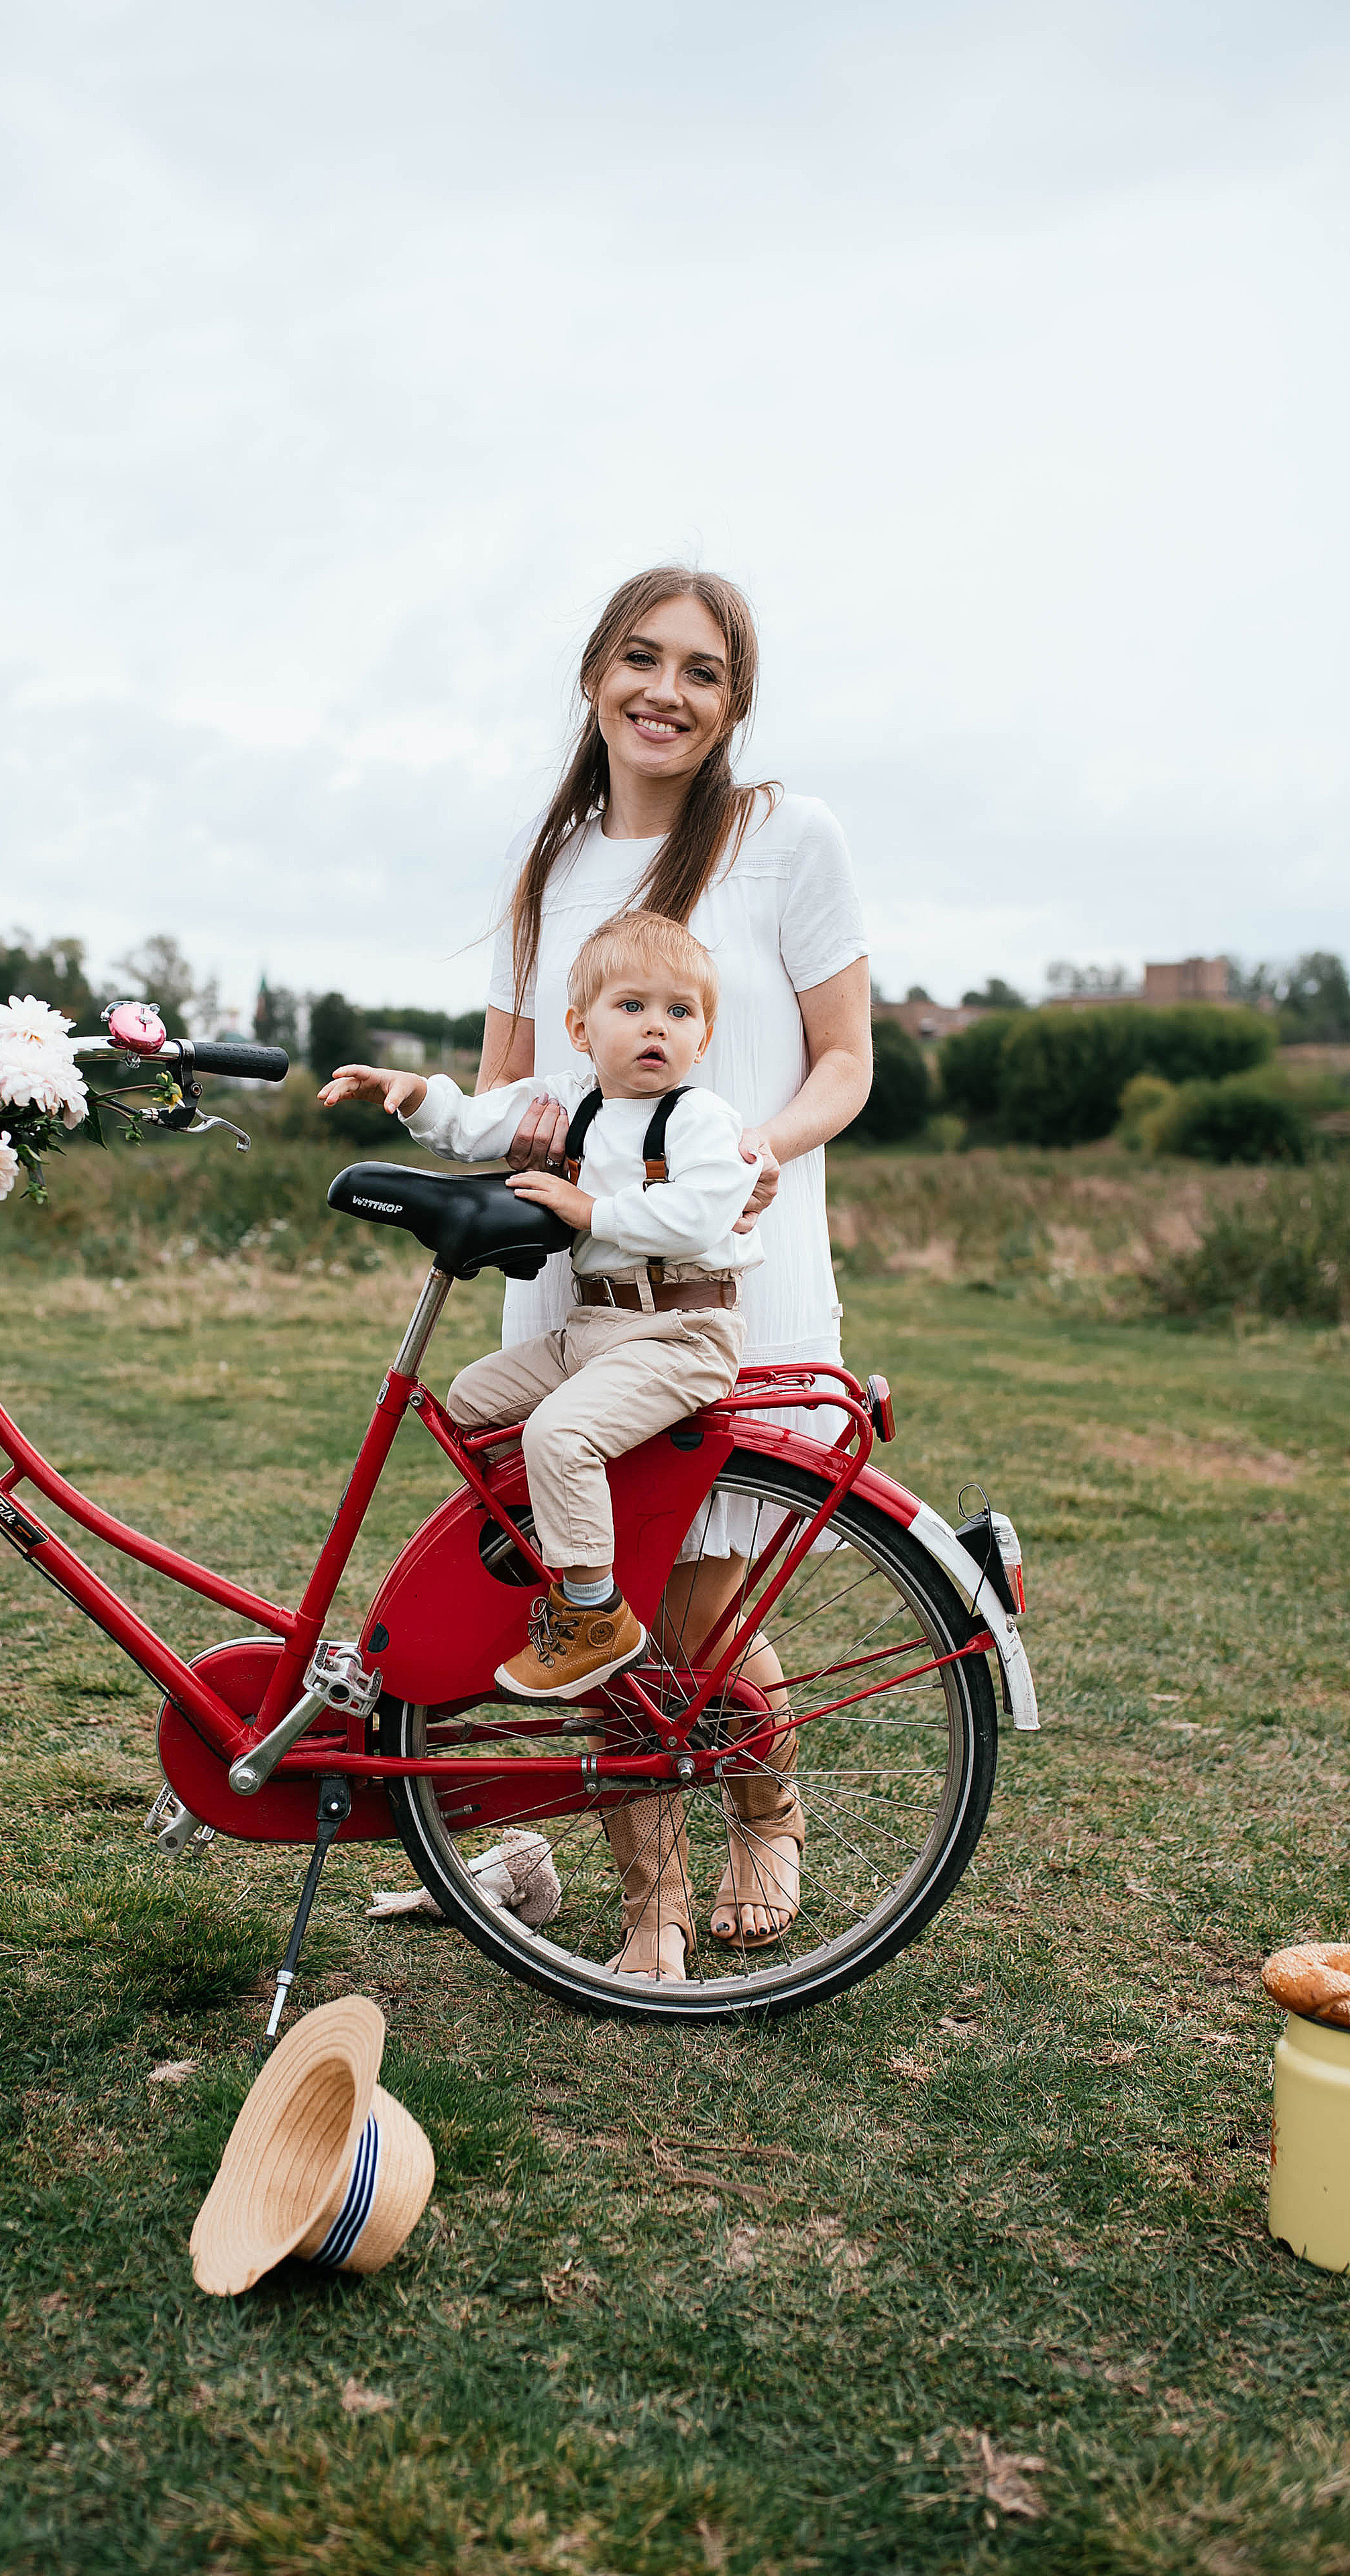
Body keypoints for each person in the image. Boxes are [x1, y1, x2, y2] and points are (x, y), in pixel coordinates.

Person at [473, 565, 871, 1977]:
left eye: (702, 671)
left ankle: (767, 1811)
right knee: (597, 1590)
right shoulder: (549, 865)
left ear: (733, 700)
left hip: (729, 1266)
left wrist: (758, 1145)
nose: (665, 692)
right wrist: (506, 1142)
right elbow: (509, 1073)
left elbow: (845, 1060)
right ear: (596, 676)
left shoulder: (786, 839)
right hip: (577, 1277)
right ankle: (651, 1904)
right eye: (640, 659)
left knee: (700, 1599)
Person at [322, 911, 762, 1979]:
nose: (656, 1028)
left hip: (683, 1332)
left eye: (680, 1012)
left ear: (703, 1036)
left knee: (562, 1434)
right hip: (597, 1328)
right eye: (631, 1007)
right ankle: (545, 1559)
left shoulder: (700, 1119)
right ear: (581, 1026)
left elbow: (700, 1216)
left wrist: (588, 1206)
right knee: (476, 1400)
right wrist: (408, 1092)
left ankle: (592, 1610)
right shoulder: (569, 1102)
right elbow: (479, 1123)